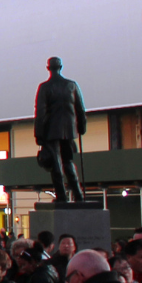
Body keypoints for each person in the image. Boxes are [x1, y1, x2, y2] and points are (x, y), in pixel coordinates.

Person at [33, 56, 87, 201]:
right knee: (68, 162)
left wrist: (38, 134)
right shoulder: (72, 85)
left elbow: (40, 113)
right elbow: (80, 109)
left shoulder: (45, 87)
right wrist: (81, 127)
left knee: (56, 164)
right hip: (69, 130)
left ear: (48, 68)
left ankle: (62, 196)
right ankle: (78, 195)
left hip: (51, 131)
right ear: (61, 67)